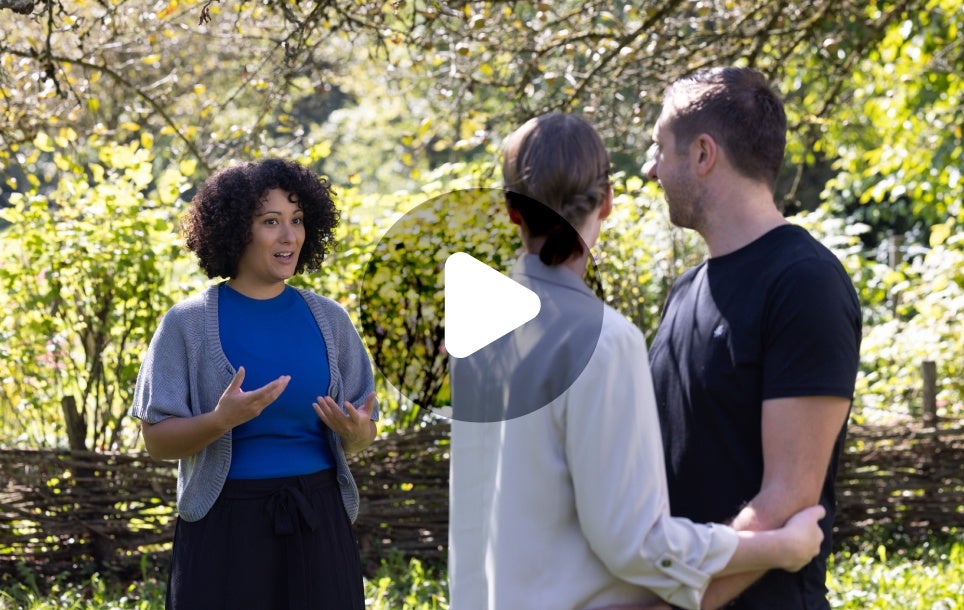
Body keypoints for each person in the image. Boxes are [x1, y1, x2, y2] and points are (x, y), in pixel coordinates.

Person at [448, 112, 827, 610]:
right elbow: (635, 544)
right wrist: (778, 548)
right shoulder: (603, 341)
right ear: (607, 202)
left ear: (512, 211)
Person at [645, 67, 862, 609]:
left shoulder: (804, 282)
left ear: (702, 154)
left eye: (659, 148)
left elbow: (788, 499)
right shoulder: (685, 291)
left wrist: (679, 601)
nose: (650, 169)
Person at [130, 158, 378, 610]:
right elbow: (157, 442)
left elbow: (364, 429)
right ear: (235, 230)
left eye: (298, 220)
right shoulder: (185, 325)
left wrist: (357, 435)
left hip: (318, 521)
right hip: (225, 528)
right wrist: (221, 420)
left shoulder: (331, 321)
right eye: (271, 222)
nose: (290, 237)